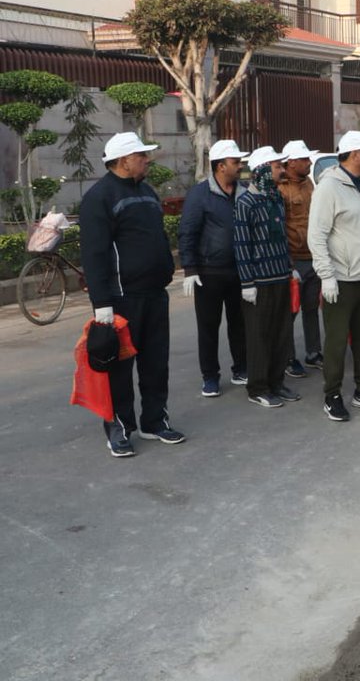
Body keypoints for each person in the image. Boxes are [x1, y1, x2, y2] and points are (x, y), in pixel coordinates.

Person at [79, 132, 183, 457]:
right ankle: (120, 429)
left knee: (156, 363)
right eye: (141, 155)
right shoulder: (99, 197)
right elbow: (94, 254)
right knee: (120, 369)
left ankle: (155, 421)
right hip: (122, 298)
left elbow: (157, 237)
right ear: (124, 160)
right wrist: (102, 304)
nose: (147, 160)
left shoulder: (147, 193)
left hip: (155, 294)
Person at [308, 131, 360, 422]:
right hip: (341, 279)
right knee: (336, 341)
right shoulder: (329, 187)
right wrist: (327, 276)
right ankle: (332, 395)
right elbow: (316, 235)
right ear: (355, 154)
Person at [178, 138, 249, 397]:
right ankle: (210, 376)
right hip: (209, 272)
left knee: (239, 324)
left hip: (239, 271)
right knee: (208, 327)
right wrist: (190, 268)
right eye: (235, 161)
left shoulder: (244, 192)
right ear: (220, 166)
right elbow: (188, 231)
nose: (240, 166)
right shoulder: (200, 195)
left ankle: (241, 368)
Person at [234, 146, 299, 408]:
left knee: (281, 333)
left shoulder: (275, 198)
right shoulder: (245, 203)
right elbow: (241, 244)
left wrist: (290, 267)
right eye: (277, 166)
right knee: (259, 336)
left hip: (280, 276)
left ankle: (276, 382)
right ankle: (258, 387)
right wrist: (247, 282)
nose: (282, 170)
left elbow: (282, 237)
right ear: (262, 170)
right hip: (259, 283)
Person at [278, 140, 322, 378]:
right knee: (290, 311)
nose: (309, 163)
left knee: (311, 308)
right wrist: (288, 263)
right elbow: (280, 228)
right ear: (291, 162)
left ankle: (313, 352)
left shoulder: (309, 184)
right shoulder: (281, 188)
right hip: (294, 259)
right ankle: (288, 357)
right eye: (304, 159)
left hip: (313, 256)